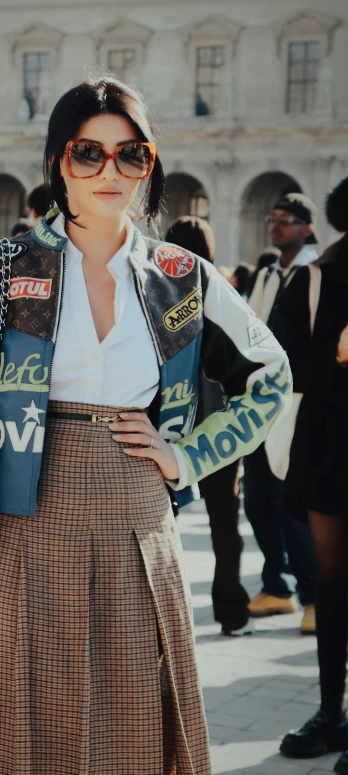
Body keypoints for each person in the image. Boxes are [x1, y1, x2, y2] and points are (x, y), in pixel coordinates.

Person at [0, 78, 291, 775]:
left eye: (131, 155)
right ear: (57, 162)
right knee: (13, 733)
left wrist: (186, 456)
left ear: (149, 165)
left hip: (137, 517)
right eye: (87, 153)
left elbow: (271, 377)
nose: (109, 171)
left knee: (129, 737)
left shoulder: (184, 277)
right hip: (16, 526)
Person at [275, 177, 348, 767]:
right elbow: (278, 359)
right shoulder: (317, 276)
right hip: (330, 440)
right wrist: (335, 355)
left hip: (329, 438)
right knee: (331, 577)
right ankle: (332, 712)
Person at [166, 216, 252, 636]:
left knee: (161, 525)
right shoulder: (222, 294)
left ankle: (160, 623)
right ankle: (231, 612)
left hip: (170, 425)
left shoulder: (154, 295)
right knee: (224, 522)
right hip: (217, 429)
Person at [244, 193, 318, 633]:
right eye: (273, 219)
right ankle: (277, 584)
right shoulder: (268, 274)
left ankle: (313, 595)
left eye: (286, 220)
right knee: (258, 500)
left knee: (294, 502)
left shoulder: (319, 273)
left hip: (303, 402)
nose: (276, 226)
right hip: (263, 401)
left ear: (307, 227)